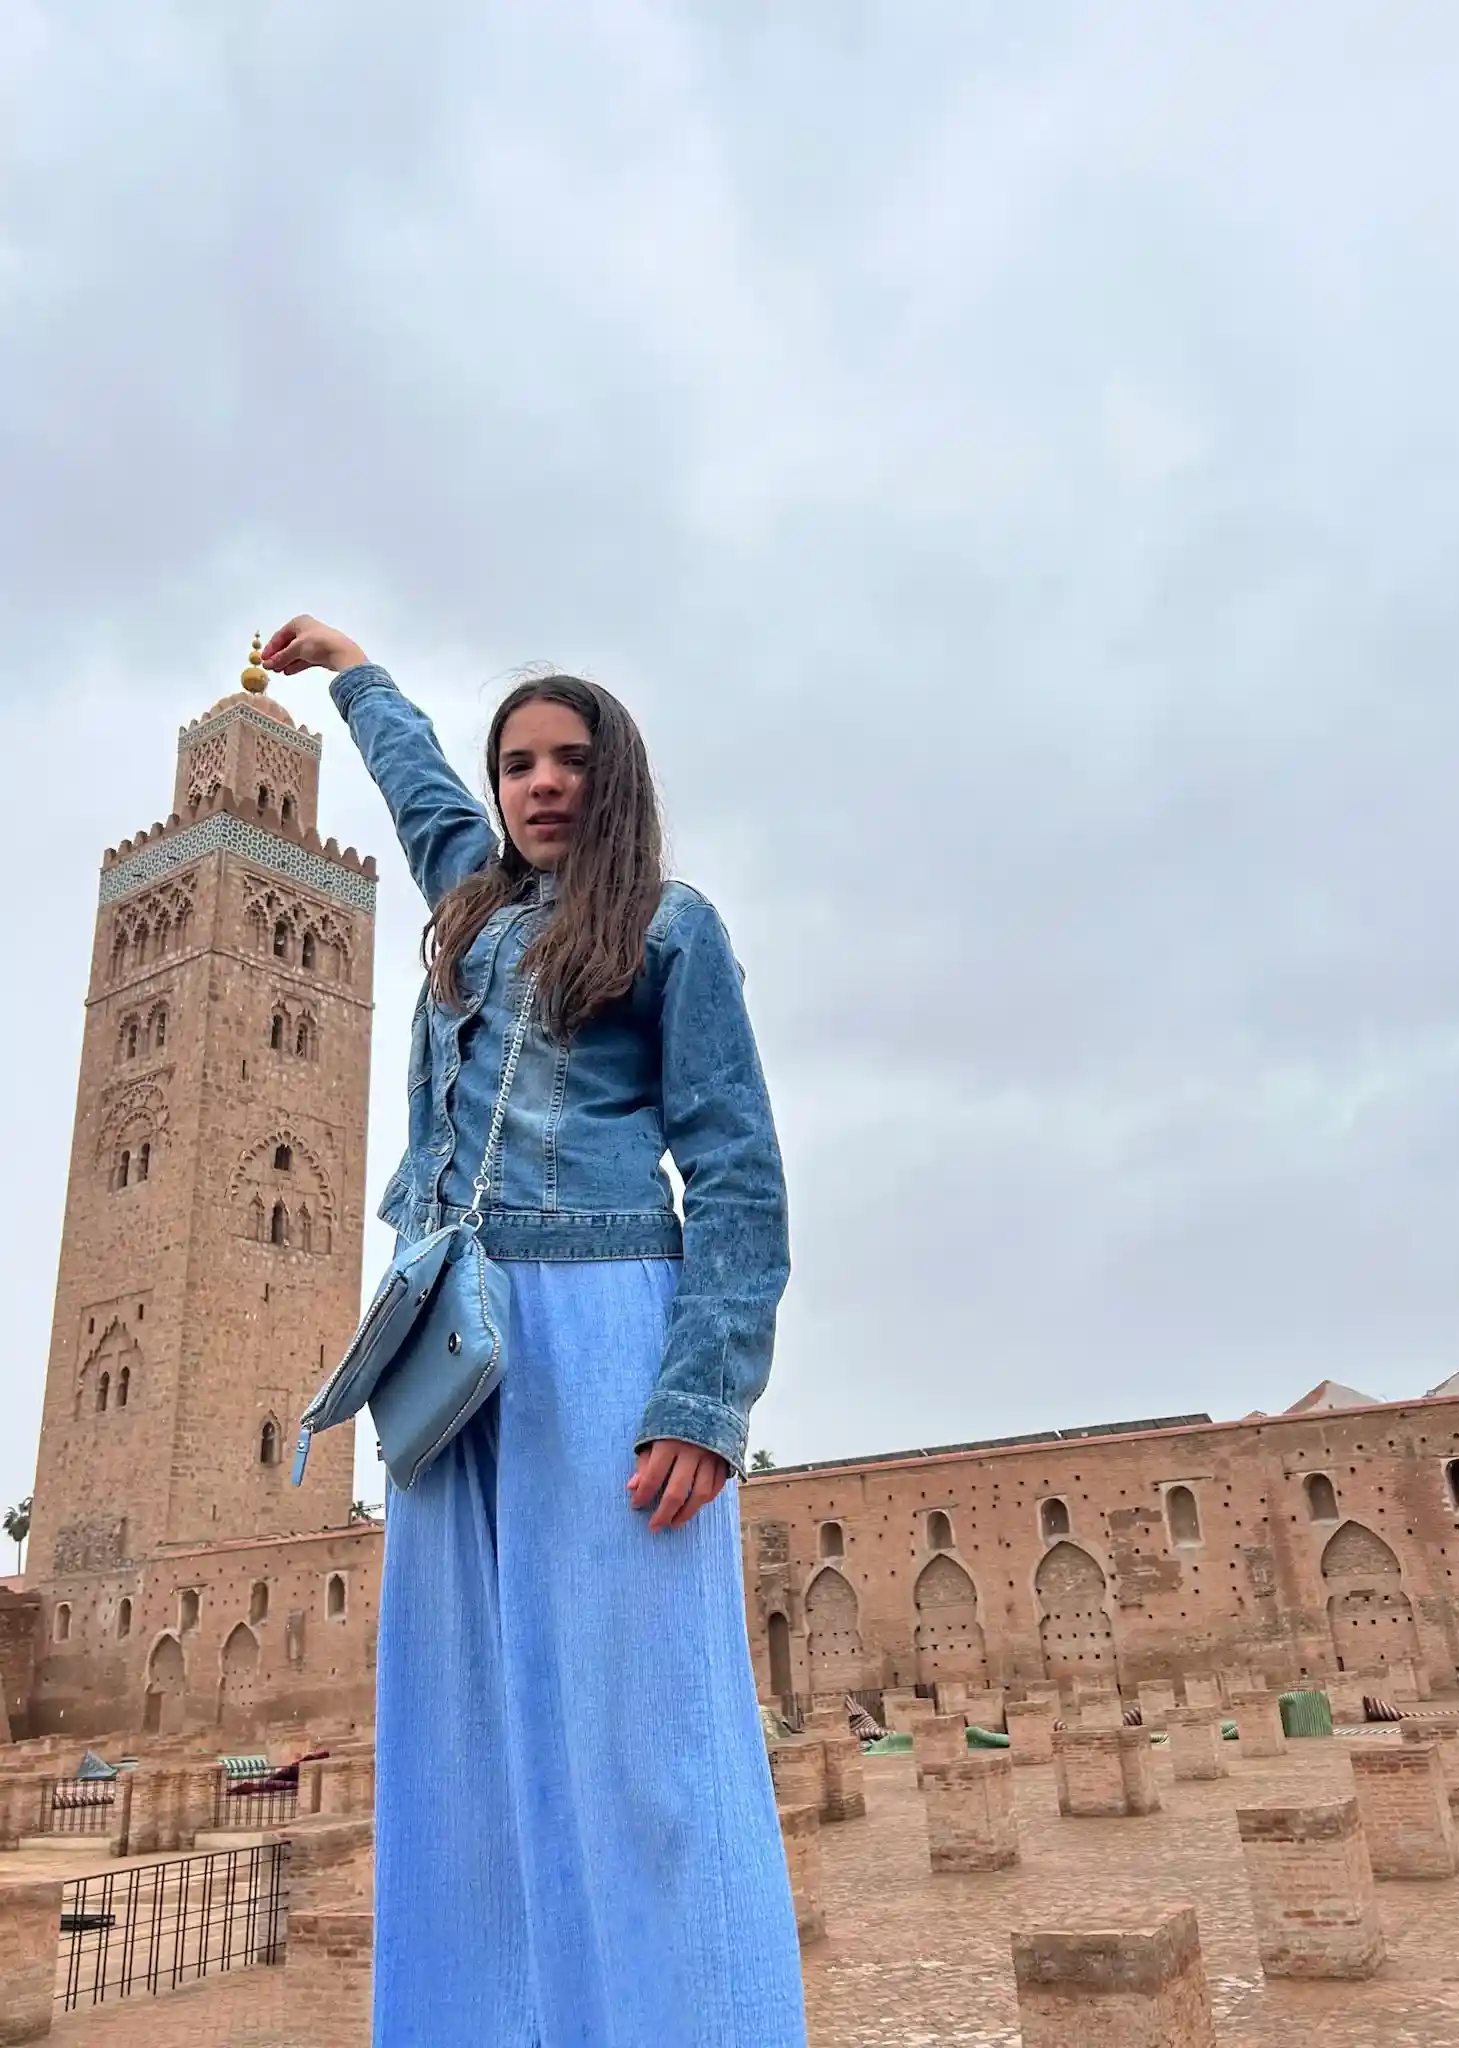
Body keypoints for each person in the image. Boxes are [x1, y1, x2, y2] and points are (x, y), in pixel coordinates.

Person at [261, 617, 807, 2048]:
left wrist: (703, 1395)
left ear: (613, 778)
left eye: (570, 759)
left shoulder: (668, 929)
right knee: (461, 1734)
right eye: (520, 762)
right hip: (449, 1347)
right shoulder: (472, 908)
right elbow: (422, 795)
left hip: (601, 1329)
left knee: (640, 1736)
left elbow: (736, 1168)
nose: (539, 783)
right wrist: (353, 671)